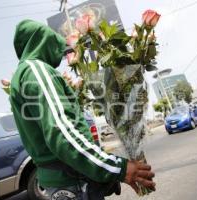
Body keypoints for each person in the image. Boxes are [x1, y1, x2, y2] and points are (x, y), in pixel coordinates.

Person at [10, 19, 155, 200]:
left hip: (67, 179)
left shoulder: (22, 75)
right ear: (43, 40)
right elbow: (64, 134)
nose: (61, 51)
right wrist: (117, 168)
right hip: (73, 182)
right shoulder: (37, 70)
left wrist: (100, 174)